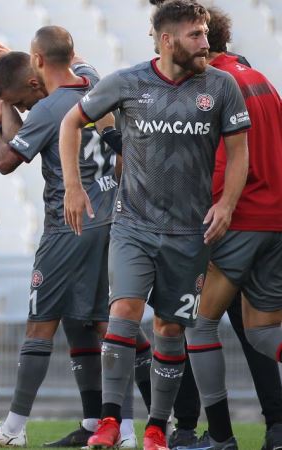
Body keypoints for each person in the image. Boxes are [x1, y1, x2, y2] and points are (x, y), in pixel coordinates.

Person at [59, 1, 250, 449]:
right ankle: (109, 421)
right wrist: (73, 186)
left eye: (205, 33)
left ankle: (155, 428)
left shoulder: (221, 87)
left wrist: (226, 205)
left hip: (190, 233)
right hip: (133, 225)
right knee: (123, 312)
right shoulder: (128, 83)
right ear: (167, 40)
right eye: (195, 35)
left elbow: (239, 153)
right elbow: (73, 121)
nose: (206, 43)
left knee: (168, 328)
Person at [0, 27, 126, 448]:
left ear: (36, 76)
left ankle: (14, 428)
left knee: (42, 324)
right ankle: (113, 425)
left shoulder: (49, 108)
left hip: (70, 223)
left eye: (20, 101)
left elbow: (5, 160)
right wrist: (12, 76)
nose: (23, 109)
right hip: (110, 215)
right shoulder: (93, 79)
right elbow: (62, 61)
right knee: (91, 322)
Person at [176, 6, 282, 450]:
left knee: (198, 325)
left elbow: (225, 159)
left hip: (238, 219)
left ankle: (220, 437)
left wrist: (215, 208)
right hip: (275, 220)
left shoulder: (216, 84)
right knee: (261, 331)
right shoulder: (260, 79)